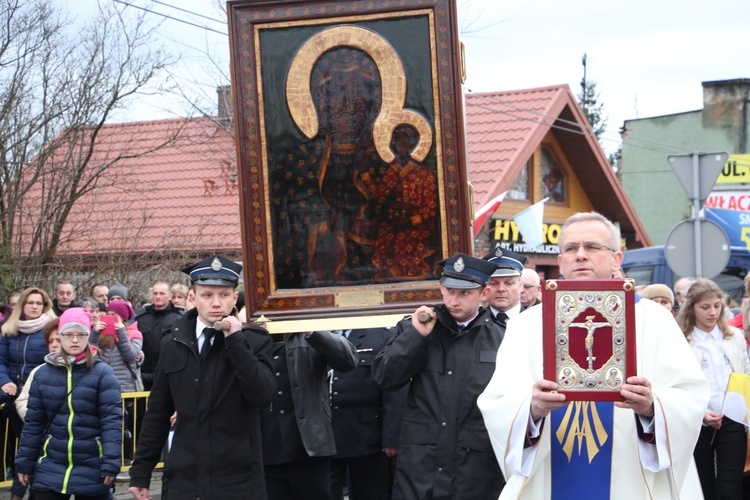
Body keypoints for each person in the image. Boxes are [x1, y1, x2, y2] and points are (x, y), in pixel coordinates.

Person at [477, 212, 710, 499]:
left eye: (593, 246)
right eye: (571, 248)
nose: (581, 255)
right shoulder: (526, 324)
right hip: (549, 473)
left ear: (616, 260)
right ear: (560, 261)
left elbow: (690, 396)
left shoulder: (655, 320)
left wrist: (652, 408)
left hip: (630, 477)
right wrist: (531, 409)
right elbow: (498, 403)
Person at [128, 255, 276, 500]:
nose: (216, 303)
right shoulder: (173, 342)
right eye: (207, 295)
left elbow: (263, 395)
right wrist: (141, 471)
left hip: (237, 479)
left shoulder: (254, 340)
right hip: (185, 476)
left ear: (235, 297)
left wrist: (236, 342)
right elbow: (158, 411)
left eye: (224, 295)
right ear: (192, 298)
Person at [372, 253, 506, 499]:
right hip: (421, 466)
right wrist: (416, 336)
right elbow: (386, 377)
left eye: (464, 293)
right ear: (441, 288)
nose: (454, 300)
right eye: (449, 290)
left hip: (474, 468)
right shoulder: (415, 328)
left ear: (483, 293)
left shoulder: (502, 338)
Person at [15, 307, 122, 500]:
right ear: (60, 336)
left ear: (88, 335)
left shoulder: (103, 373)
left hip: (92, 464)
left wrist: (111, 462)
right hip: (51, 463)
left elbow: (112, 422)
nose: (75, 340)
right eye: (69, 334)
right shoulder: (42, 374)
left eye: (81, 334)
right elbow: (34, 424)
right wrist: (24, 463)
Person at [261, 329, 357, 499]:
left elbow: (348, 360)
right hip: (265, 449)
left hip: (309, 448)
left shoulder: (307, 329)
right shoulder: (249, 331)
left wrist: (312, 331)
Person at [677, 278, 750, 499]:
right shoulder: (682, 340)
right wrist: (701, 413)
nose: (712, 312)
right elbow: (678, 384)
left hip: (733, 418)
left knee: (730, 487)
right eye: (705, 307)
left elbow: (745, 374)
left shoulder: (733, 336)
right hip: (697, 420)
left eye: (717, 306)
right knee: (703, 486)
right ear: (691, 308)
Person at [329, 327, 407, 500]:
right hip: (326, 436)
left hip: (367, 435)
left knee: (371, 492)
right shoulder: (316, 334)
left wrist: (392, 437)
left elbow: (394, 390)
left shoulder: (380, 336)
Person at [0, 287, 57, 500]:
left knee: (34, 446)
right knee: (24, 446)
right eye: (30, 302)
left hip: (41, 396)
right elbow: (1, 361)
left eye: (38, 303)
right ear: (22, 305)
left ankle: (22, 493)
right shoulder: (9, 330)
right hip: (14, 396)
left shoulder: (51, 328)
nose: (34, 307)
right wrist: (4, 381)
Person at [91, 300, 144, 462]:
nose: (110, 318)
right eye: (108, 314)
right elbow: (90, 353)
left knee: (123, 426)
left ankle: (126, 459)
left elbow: (131, 355)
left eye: (114, 316)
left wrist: (121, 333)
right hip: (102, 386)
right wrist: (94, 333)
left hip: (124, 388)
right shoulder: (103, 334)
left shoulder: (135, 334)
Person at [133, 281, 183, 390]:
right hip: (144, 374)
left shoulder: (179, 318)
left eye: (162, 293)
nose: (158, 297)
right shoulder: (141, 317)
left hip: (168, 373)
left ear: (170, 296)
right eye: (155, 293)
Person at [14, 318, 61, 420]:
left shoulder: (89, 370)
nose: (54, 345)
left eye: (59, 340)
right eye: (50, 341)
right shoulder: (38, 371)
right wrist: (38, 422)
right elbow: (22, 401)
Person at [482, 245, 527, 330]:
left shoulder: (536, 322)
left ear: (520, 286)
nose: (501, 289)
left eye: (509, 283)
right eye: (493, 283)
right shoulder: (474, 325)